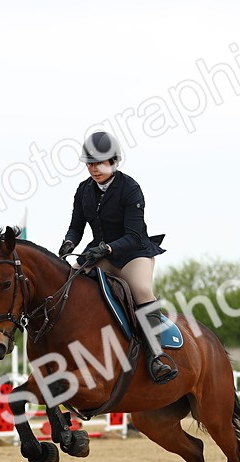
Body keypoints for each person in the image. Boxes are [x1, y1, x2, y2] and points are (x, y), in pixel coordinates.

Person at [59, 131, 177, 384]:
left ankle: (157, 356)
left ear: (114, 162)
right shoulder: (83, 190)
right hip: (99, 252)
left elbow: (134, 236)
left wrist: (108, 250)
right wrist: (69, 242)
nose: (94, 168)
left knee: (142, 289)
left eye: (99, 163)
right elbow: (76, 226)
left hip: (134, 254)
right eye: (90, 163)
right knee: (68, 281)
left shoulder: (131, 189)